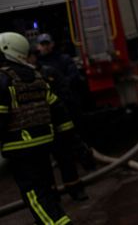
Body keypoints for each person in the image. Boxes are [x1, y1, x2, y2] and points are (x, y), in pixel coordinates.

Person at [0, 32, 74, 224]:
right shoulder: (37, 75)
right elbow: (58, 110)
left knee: (35, 197)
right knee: (46, 193)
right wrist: (74, 144)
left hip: (20, 148)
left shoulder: (3, 79)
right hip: (44, 144)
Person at [29, 44, 93, 202]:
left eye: (28, 56)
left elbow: (64, 95)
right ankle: (52, 196)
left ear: (34, 57)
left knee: (66, 159)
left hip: (56, 125)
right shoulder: (21, 78)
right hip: (38, 129)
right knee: (43, 167)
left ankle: (75, 189)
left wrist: (69, 120)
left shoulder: (48, 73)